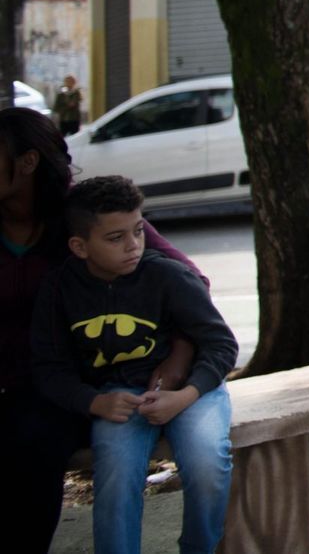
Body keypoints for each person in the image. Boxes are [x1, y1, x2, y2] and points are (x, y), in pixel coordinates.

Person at [2, 110, 201, 554]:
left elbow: (190, 281)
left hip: (60, 389)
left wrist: (177, 359)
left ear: (27, 162)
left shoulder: (83, 217)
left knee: (34, 441)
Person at [32, 176, 237, 554]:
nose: (133, 245)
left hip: (193, 392)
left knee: (208, 461)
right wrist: (95, 402)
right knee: (115, 474)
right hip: (117, 398)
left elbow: (221, 344)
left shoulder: (168, 275)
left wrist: (185, 395)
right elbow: (49, 369)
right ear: (79, 246)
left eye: (139, 231)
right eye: (116, 238)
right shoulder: (59, 289)